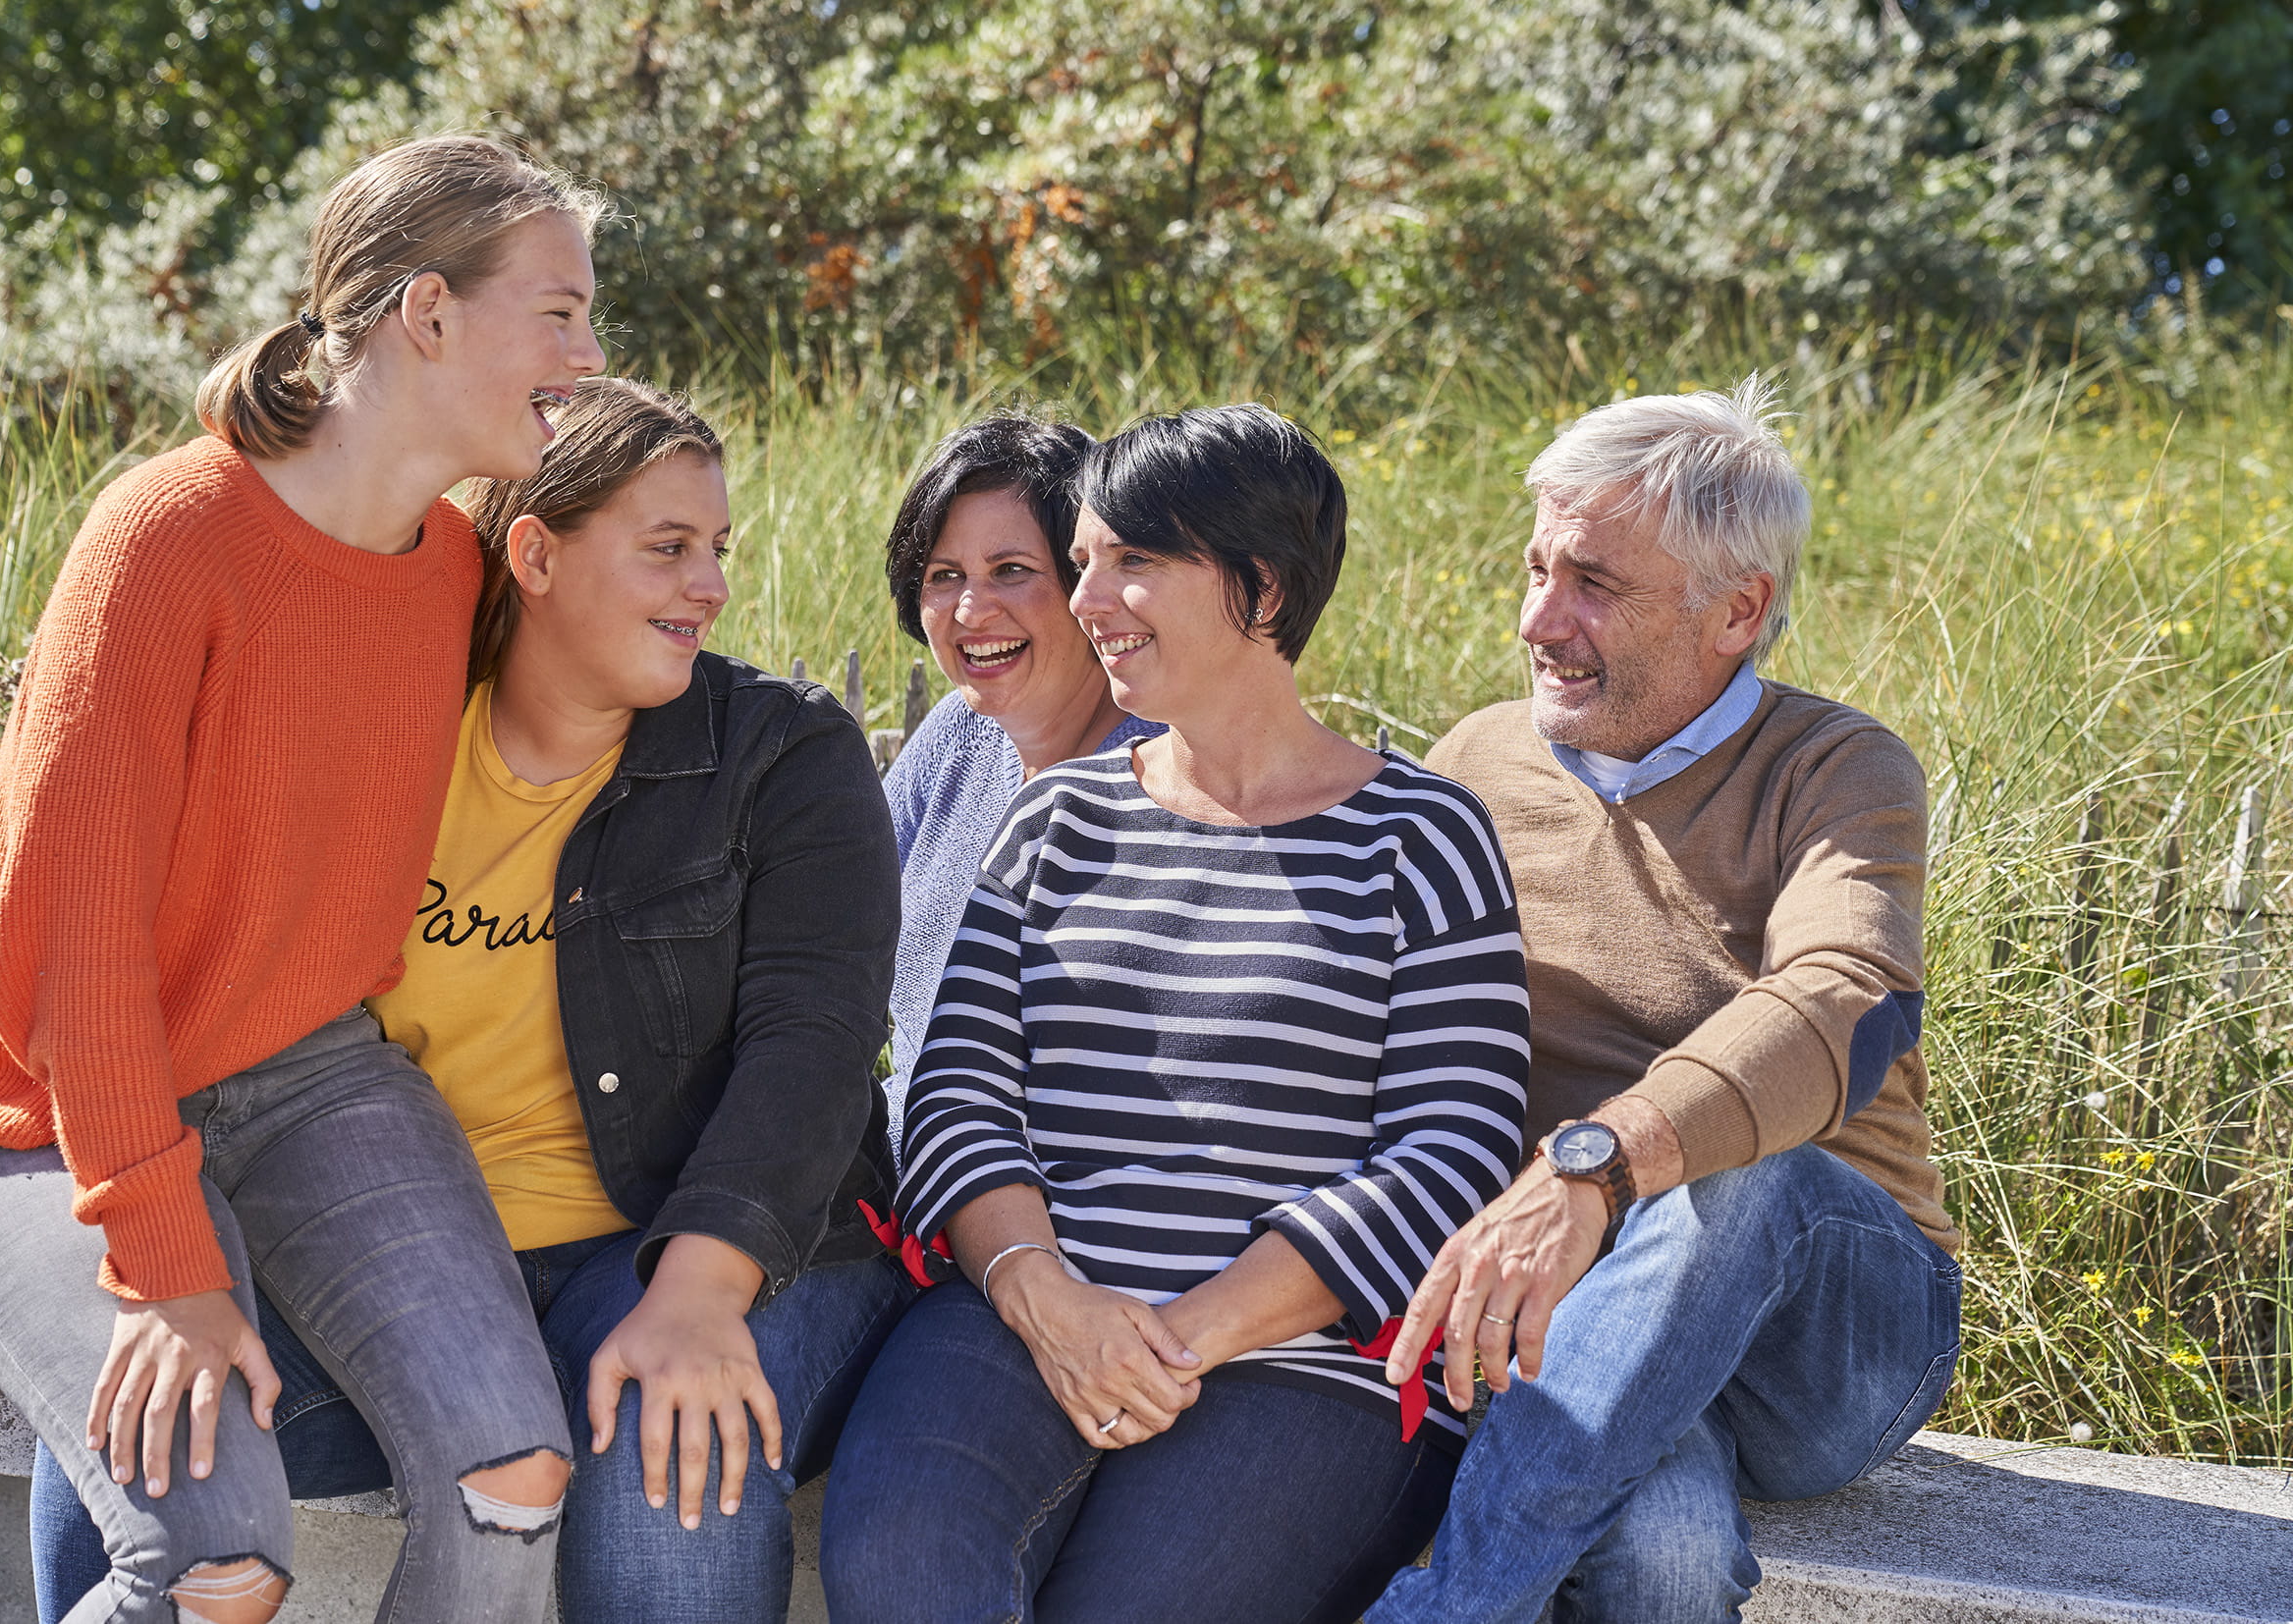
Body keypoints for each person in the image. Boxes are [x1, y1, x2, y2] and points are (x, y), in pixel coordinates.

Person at [28, 378, 916, 1623]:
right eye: (667, 548)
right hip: (418, 1264)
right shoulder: (385, 727)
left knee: (673, 1453)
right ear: (536, 552)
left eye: (718, 549)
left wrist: (698, 1293)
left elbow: (813, 1048)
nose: (709, 585)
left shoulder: (781, 754)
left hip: (708, 1243)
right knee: (154, 1422)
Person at [0, 135, 607, 1623]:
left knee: (514, 1475)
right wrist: (166, 1263)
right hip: (44, 1113)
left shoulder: (452, 567)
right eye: (558, 310)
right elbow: (74, 956)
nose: (588, 351)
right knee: (217, 1565)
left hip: (313, 1079)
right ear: (427, 312)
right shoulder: (169, 535)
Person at [822, 405, 1532, 1624]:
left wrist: (1185, 1334)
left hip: (1303, 1366)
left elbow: (1450, 1150)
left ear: (1259, 586)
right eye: (1086, 559)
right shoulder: (1054, 822)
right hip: (1020, 1319)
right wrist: (1048, 1298)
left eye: (1130, 561)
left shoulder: (1422, 836)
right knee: (899, 1569)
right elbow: (954, 1092)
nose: (1088, 597)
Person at [1365, 378, 1961, 1624]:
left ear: (1735, 609)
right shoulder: (1470, 764)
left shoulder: (1837, 769)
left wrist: (1593, 1163)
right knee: (1664, 1546)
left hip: (1828, 1329)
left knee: (1730, 1173)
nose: (1539, 617)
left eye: (1593, 583)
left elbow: (1842, 997)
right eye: (1533, 569)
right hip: (1583, 1319)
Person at [879, 412, 1162, 1156]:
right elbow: (831, 940)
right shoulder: (953, 738)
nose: (972, 612)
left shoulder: (1171, 770)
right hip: (900, 1190)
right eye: (944, 577)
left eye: (1012, 571)